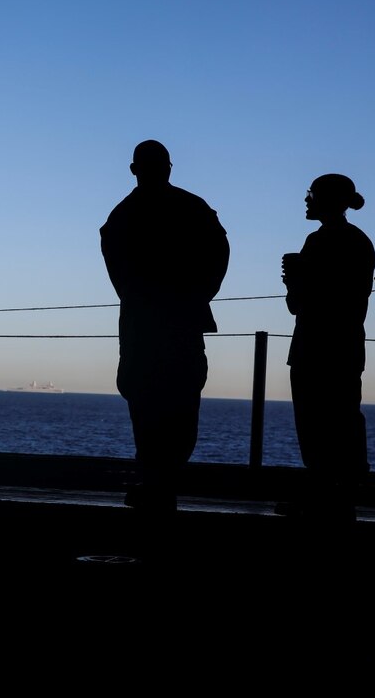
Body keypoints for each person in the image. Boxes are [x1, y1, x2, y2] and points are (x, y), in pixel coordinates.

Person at [100, 140, 230, 513]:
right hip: (171, 321)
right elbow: (218, 253)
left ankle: (158, 482)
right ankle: (160, 482)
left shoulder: (124, 216)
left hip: (150, 323)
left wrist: (140, 297)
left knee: (157, 402)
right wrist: (197, 295)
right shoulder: (191, 209)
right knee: (169, 401)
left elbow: (117, 268)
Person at [281, 173, 375, 522]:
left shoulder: (327, 242)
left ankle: (328, 497)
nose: (307, 200)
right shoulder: (355, 242)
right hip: (338, 346)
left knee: (320, 423)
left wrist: (297, 279)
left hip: (319, 345)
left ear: (327, 200)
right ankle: (333, 496)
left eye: (312, 195)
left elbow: (305, 302)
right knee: (335, 420)